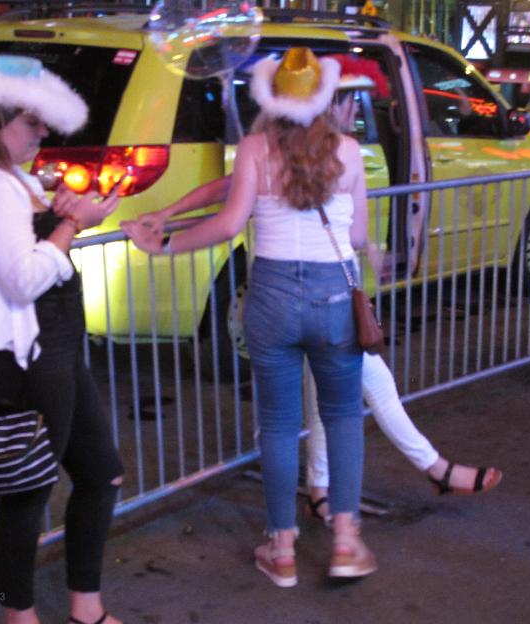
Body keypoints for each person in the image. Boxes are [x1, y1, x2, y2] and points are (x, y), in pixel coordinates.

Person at [124, 47, 375, 586]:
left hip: (272, 298)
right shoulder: (350, 152)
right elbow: (356, 236)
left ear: (273, 101)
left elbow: (227, 224)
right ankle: (346, 542)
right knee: (342, 417)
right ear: (324, 100)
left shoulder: (256, 150)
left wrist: (163, 243)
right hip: (334, 299)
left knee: (280, 424)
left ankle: (281, 549)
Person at [0, 53, 151, 624]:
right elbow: (23, 278)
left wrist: (77, 216)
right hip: (22, 359)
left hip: (52, 350)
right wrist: (70, 227)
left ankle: (85, 613)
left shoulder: (12, 181)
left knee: (101, 473)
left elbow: (35, 255)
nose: (43, 131)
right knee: (27, 493)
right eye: (32, 121)